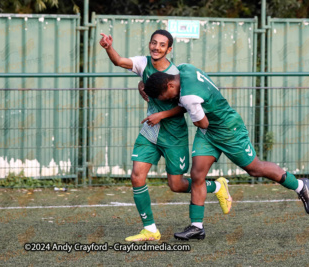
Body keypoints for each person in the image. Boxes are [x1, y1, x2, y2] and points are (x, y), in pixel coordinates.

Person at [144, 64, 309, 241]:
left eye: (164, 96)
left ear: (170, 86)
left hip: (228, 129)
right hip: (209, 133)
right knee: (197, 175)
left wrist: (168, 111)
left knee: (255, 168)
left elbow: (201, 122)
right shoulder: (185, 69)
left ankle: (300, 186)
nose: (166, 100)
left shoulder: (188, 97)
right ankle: (196, 227)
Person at [99, 30, 232, 242]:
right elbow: (119, 61)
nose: (156, 48)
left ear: (169, 49)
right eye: (154, 43)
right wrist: (108, 48)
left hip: (173, 135)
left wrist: (162, 114)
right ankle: (150, 229)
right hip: (150, 131)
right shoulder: (143, 63)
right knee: (136, 176)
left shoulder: (177, 74)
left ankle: (216, 186)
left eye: (162, 45)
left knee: (176, 185)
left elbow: (185, 107)